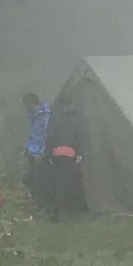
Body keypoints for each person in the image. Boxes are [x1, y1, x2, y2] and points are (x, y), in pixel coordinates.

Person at [43, 90, 86, 218]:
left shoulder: (55, 117)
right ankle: (66, 209)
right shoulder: (77, 118)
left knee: (56, 181)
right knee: (67, 182)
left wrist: (49, 153)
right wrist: (79, 153)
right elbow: (80, 136)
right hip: (70, 153)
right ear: (72, 103)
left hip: (57, 153)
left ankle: (56, 209)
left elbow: (50, 136)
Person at [21, 91, 49, 202]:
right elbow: (32, 135)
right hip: (31, 152)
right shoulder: (33, 117)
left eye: (26, 106)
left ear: (32, 104)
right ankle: (34, 200)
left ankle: (40, 202)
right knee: (28, 178)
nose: (25, 109)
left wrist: (42, 152)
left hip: (39, 154)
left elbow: (46, 136)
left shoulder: (44, 117)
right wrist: (26, 147)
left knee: (38, 179)